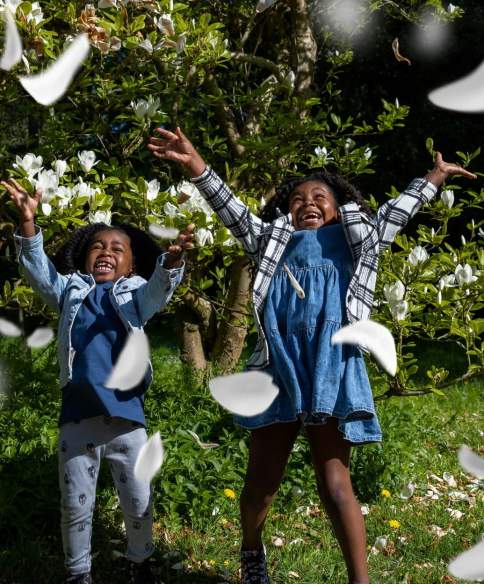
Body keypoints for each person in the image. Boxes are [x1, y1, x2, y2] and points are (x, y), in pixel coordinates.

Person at [148, 127, 476, 584]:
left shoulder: (357, 243)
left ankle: (359, 579)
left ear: (338, 207)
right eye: (297, 198)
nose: (308, 203)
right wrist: (195, 164)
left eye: (320, 196)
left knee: (335, 482)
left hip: (332, 368)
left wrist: (434, 176)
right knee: (262, 481)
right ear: (285, 210)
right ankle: (251, 550)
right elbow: (230, 210)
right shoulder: (268, 241)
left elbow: (395, 215)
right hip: (277, 368)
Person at [2, 177, 194, 584]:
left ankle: (139, 562)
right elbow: (39, 275)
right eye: (97, 247)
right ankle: (78, 574)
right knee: (76, 504)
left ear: (131, 264)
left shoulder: (136, 293)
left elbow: (159, 292)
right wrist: (28, 225)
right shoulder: (71, 290)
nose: (106, 252)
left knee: (139, 500)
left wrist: (171, 264)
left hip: (127, 419)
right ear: (85, 258)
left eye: (116, 249)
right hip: (78, 416)